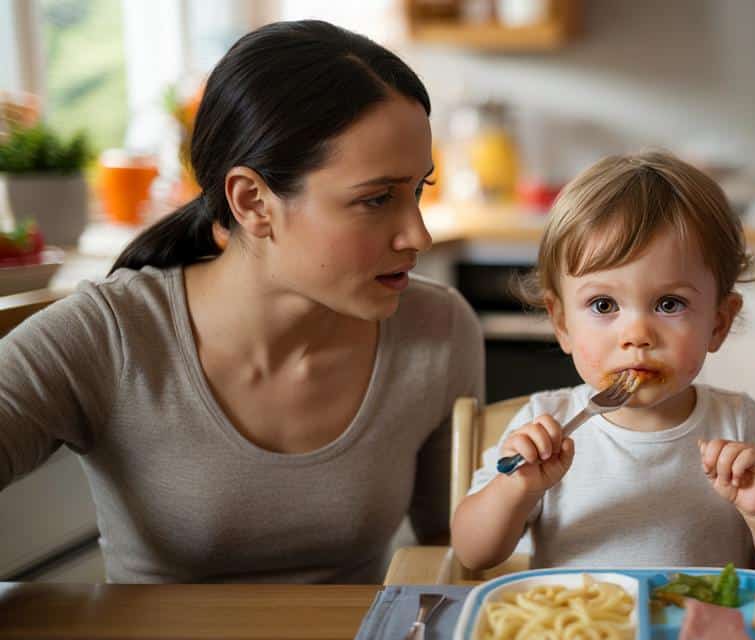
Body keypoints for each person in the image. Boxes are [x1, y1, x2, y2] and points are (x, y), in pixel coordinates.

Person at [0, 20, 483, 583]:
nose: (418, 236)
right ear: (253, 202)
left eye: (418, 190)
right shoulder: (109, 335)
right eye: (376, 199)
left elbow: (455, 548)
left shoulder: (439, 328)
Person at [451, 151, 755, 580]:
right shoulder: (544, 423)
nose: (637, 334)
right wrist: (514, 490)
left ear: (718, 323)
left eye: (669, 304)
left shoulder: (738, 424)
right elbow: (472, 553)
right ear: (561, 323)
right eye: (603, 304)